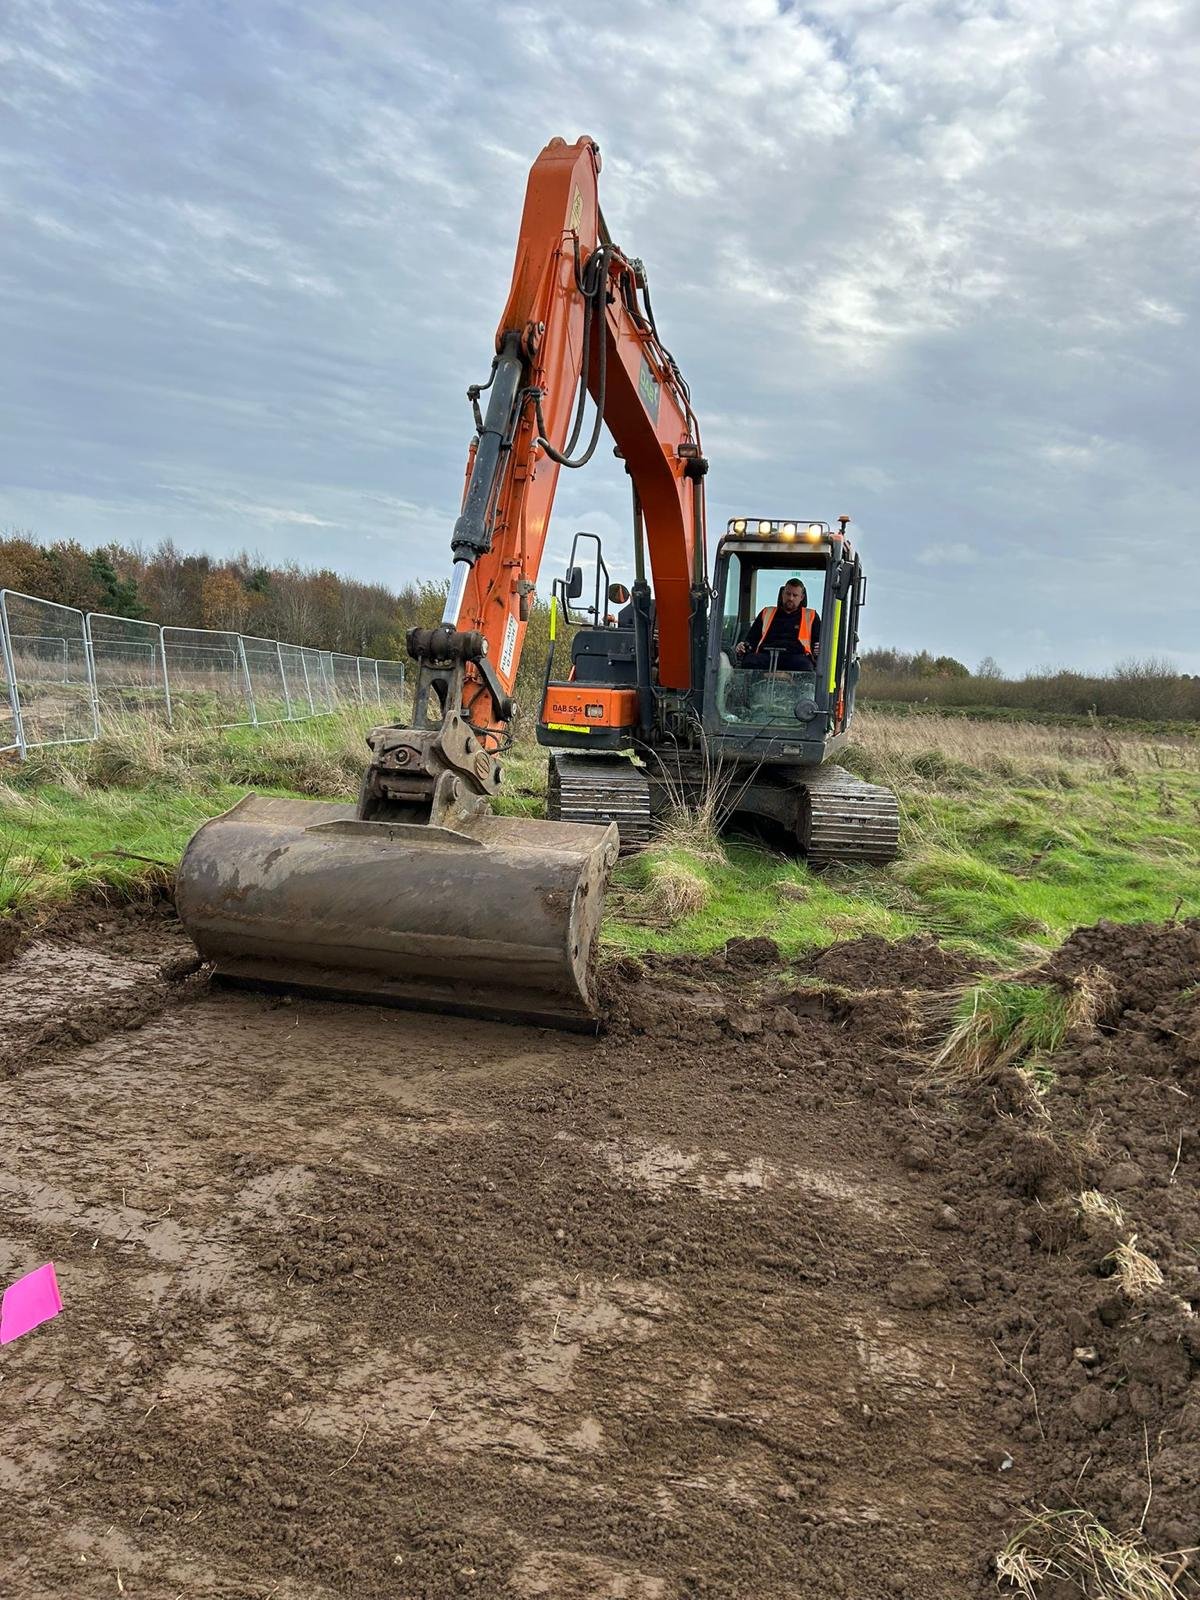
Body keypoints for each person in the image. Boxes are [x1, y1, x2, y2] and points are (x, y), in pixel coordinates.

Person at [736, 579, 821, 670]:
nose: (791, 598)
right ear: (782, 594)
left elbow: (818, 643)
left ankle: (788, 678)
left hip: (796, 657)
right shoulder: (766, 612)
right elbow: (751, 639)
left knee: (805, 665)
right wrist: (743, 646)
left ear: (802, 597)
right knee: (749, 661)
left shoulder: (811, 616)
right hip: (766, 656)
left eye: (795, 595)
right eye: (788, 594)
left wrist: (818, 648)